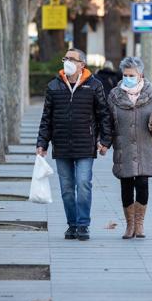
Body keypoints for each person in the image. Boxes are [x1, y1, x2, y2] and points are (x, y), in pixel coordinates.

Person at [36, 48, 113, 241]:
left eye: (72, 59)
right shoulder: (54, 86)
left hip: (85, 145)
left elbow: (103, 114)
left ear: (82, 65)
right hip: (61, 145)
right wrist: (42, 143)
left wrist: (105, 141)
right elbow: (46, 117)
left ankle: (83, 225)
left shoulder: (94, 85)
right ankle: (72, 224)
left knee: (83, 184)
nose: (67, 61)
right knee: (67, 189)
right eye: (66, 58)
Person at [108, 57, 152, 240]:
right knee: (126, 185)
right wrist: (103, 142)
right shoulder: (114, 96)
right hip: (124, 149)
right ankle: (129, 225)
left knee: (142, 184)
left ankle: (139, 224)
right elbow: (107, 122)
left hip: (145, 149)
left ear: (140, 74)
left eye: (132, 75)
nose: (128, 78)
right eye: (125, 75)